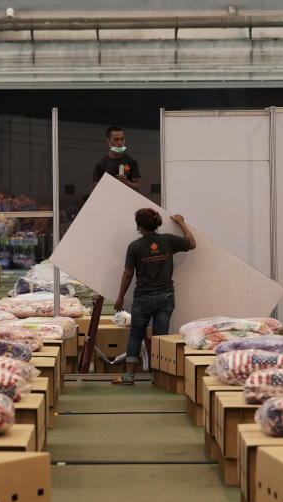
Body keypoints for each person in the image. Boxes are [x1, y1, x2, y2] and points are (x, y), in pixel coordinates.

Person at [113, 208, 196, 385]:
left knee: (136, 335)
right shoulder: (168, 241)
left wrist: (120, 296)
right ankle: (158, 377)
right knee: (161, 337)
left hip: (143, 298)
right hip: (166, 296)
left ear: (139, 226)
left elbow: (128, 274)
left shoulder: (135, 247)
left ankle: (129, 376)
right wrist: (181, 222)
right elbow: (191, 243)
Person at [94, 126, 141, 191]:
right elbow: (98, 190)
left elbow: (138, 187)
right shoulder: (100, 165)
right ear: (108, 141)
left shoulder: (131, 161)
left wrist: (127, 183)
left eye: (122, 139)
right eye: (116, 139)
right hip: (109, 200)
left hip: (127, 200)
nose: (120, 142)